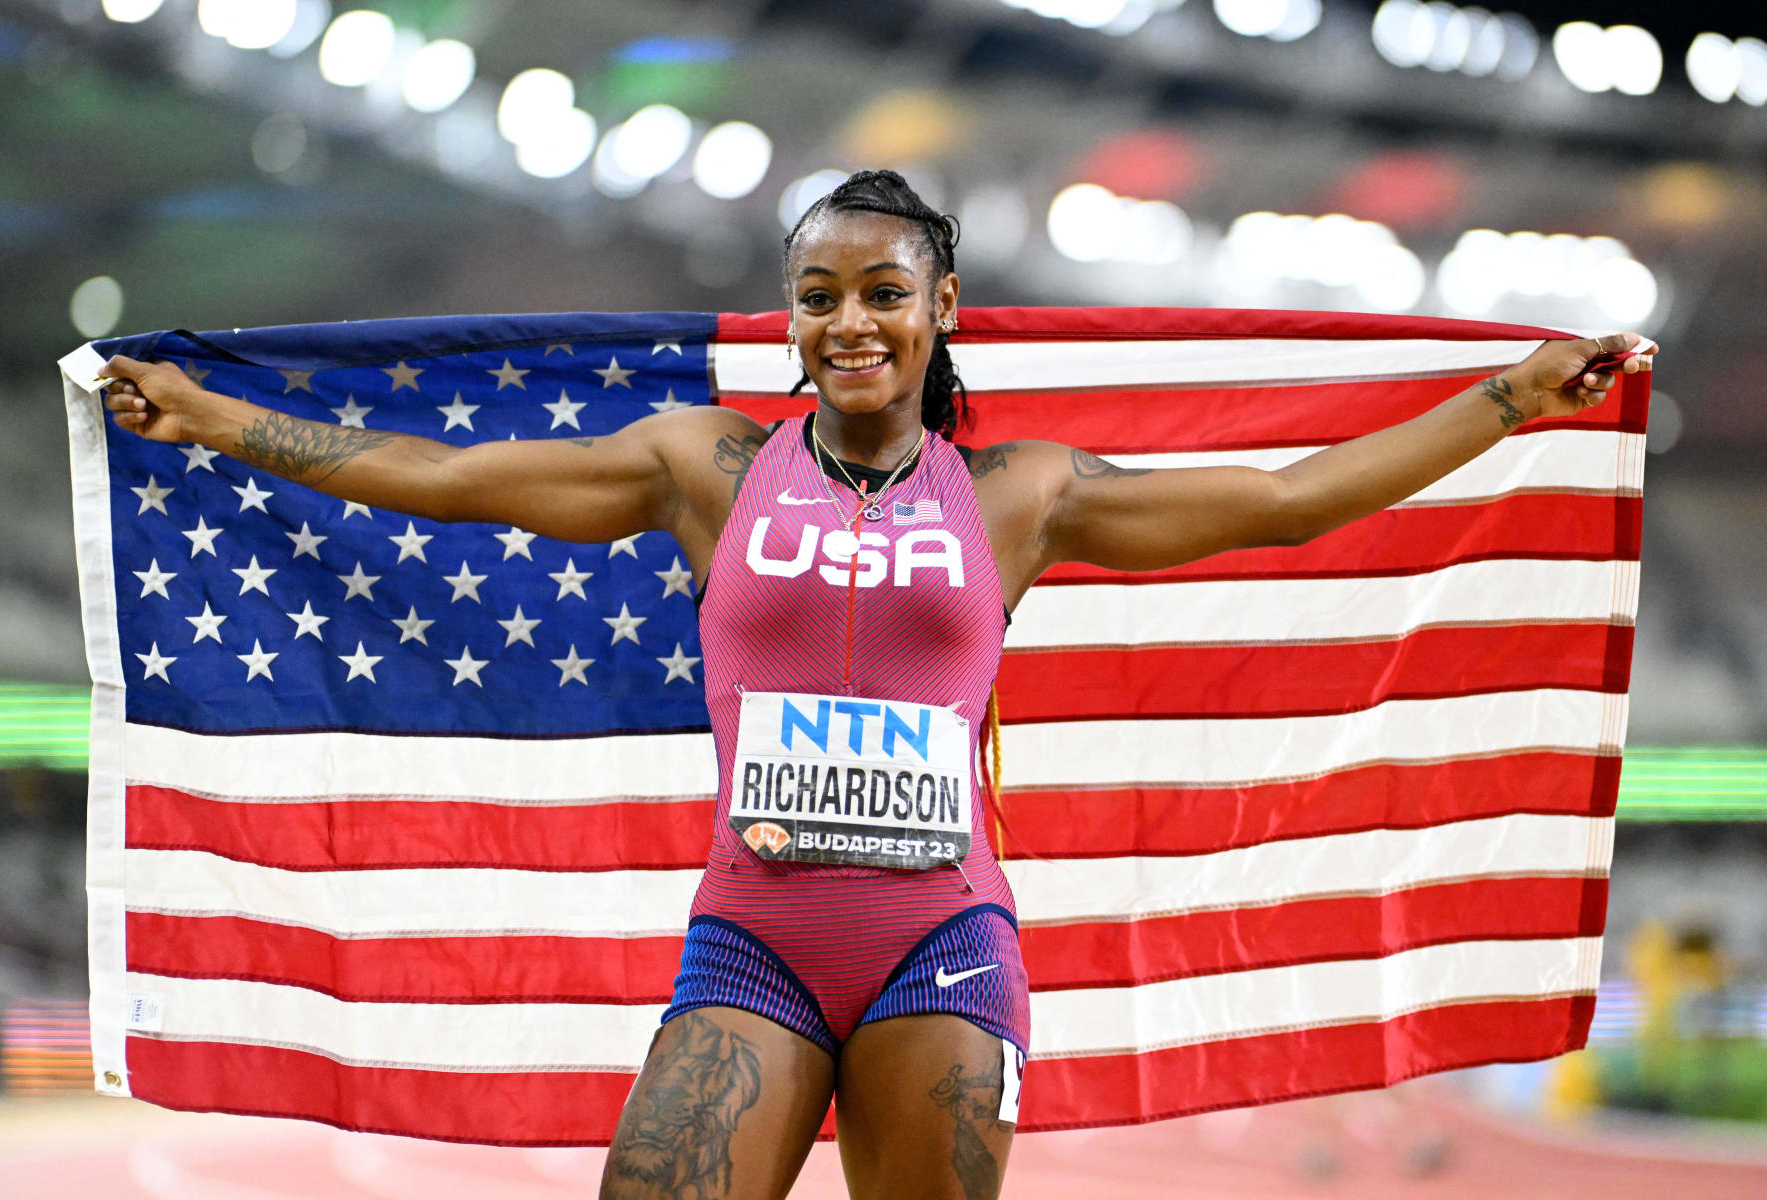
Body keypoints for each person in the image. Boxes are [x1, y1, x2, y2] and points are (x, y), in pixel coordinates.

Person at [98, 169, 1655, 1200]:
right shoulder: (704, 466)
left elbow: (1284, 503)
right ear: (794, 316)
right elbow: (445, 478)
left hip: (943, 953)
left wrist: (1512, 397)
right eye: (821, 294)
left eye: (882, 292)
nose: (850, 321)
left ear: (941, 309)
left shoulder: (1022, 494)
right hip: (753, 951)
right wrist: (213, 420)